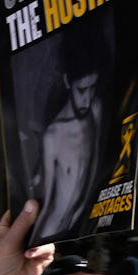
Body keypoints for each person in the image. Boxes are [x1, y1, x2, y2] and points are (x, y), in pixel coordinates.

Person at [35, 71, 103, 242]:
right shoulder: (52, 136)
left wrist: (81, 210)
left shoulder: (95, 110)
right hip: (52, 229)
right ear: (68, 82)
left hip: (77, 224)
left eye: (92, 88)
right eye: (81, 90)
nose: (86, 100)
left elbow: (94, 163)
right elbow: (47, 202)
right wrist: (32, 243)